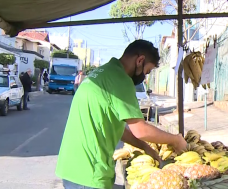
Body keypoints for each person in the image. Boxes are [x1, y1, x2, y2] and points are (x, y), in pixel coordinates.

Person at [56, 40, 187, 189]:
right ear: (140, 60)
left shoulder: (103, 73)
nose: (145, 76)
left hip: (71, 169)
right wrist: (176, 140)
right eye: (147, 71)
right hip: (89, 173)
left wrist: (145, 147)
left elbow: (115, 128)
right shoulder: (121, 80)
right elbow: (141, 130)